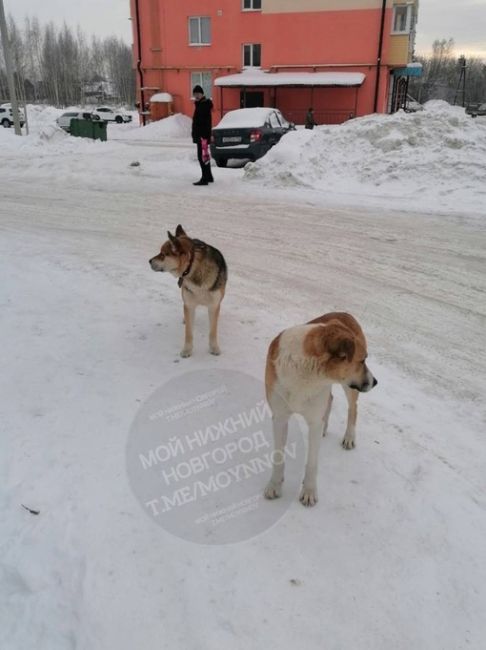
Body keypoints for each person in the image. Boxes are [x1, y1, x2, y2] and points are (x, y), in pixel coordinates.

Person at [191, 85, 214, 186]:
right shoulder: (201, 104)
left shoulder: (203, 105)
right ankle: (208, 176)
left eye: (198, 93)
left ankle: (204, 178)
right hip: (202, 135)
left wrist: (202, 136)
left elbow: (204, 122)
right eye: (195, 94)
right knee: (205, 156)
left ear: (202, 94)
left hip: (202, 136)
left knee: (202, 157)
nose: (196, 95)